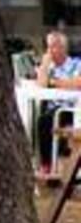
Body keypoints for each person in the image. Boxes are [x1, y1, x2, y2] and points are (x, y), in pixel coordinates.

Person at [36, 30, 81, 173]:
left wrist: (54, 82)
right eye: (48, 46)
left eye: (53, 46)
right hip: (53, 109)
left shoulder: (76, 64)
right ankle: (47, 165)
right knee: (43, 120)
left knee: (46, 121)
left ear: (63, 48)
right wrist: (44, 65)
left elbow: (77, 83)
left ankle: (55, 164)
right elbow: (41, 85)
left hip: (72, 109)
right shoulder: (50, 66)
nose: (49, 51)